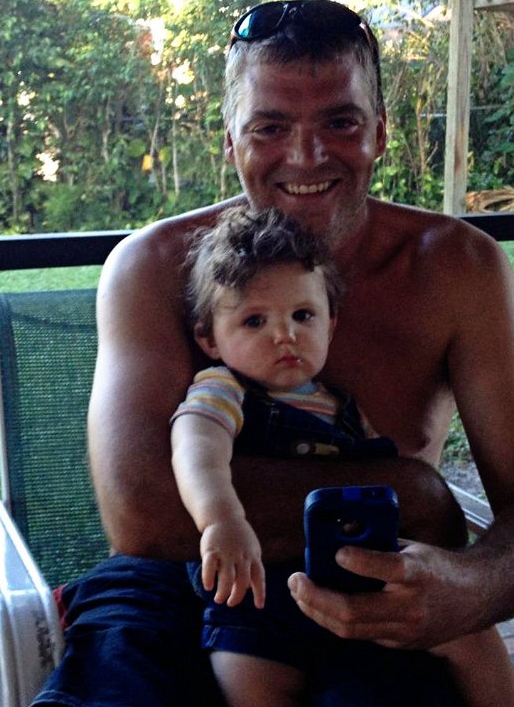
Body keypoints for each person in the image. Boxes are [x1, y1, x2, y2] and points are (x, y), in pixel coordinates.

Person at [31, 0, 514, 707]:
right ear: (231, 141)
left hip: (365, 582)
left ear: (380, 132)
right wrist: (414, 493)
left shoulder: (454, 268)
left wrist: (469, 587)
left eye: (340, 122)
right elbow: (143, 514)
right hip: (175, 581)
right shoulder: (154, 266)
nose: (306, 155)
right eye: (270, 127)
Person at [171, 204, 514, 707]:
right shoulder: (224, 389)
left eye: (303, 316)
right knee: (247, 679)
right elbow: (196, 448)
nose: (285, 335)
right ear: (209, 339)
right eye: (254, 320)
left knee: (471, 637)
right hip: (256, 595)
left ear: (330, 325)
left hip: (358, 582)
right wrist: (220, 520)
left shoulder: (342, 407)